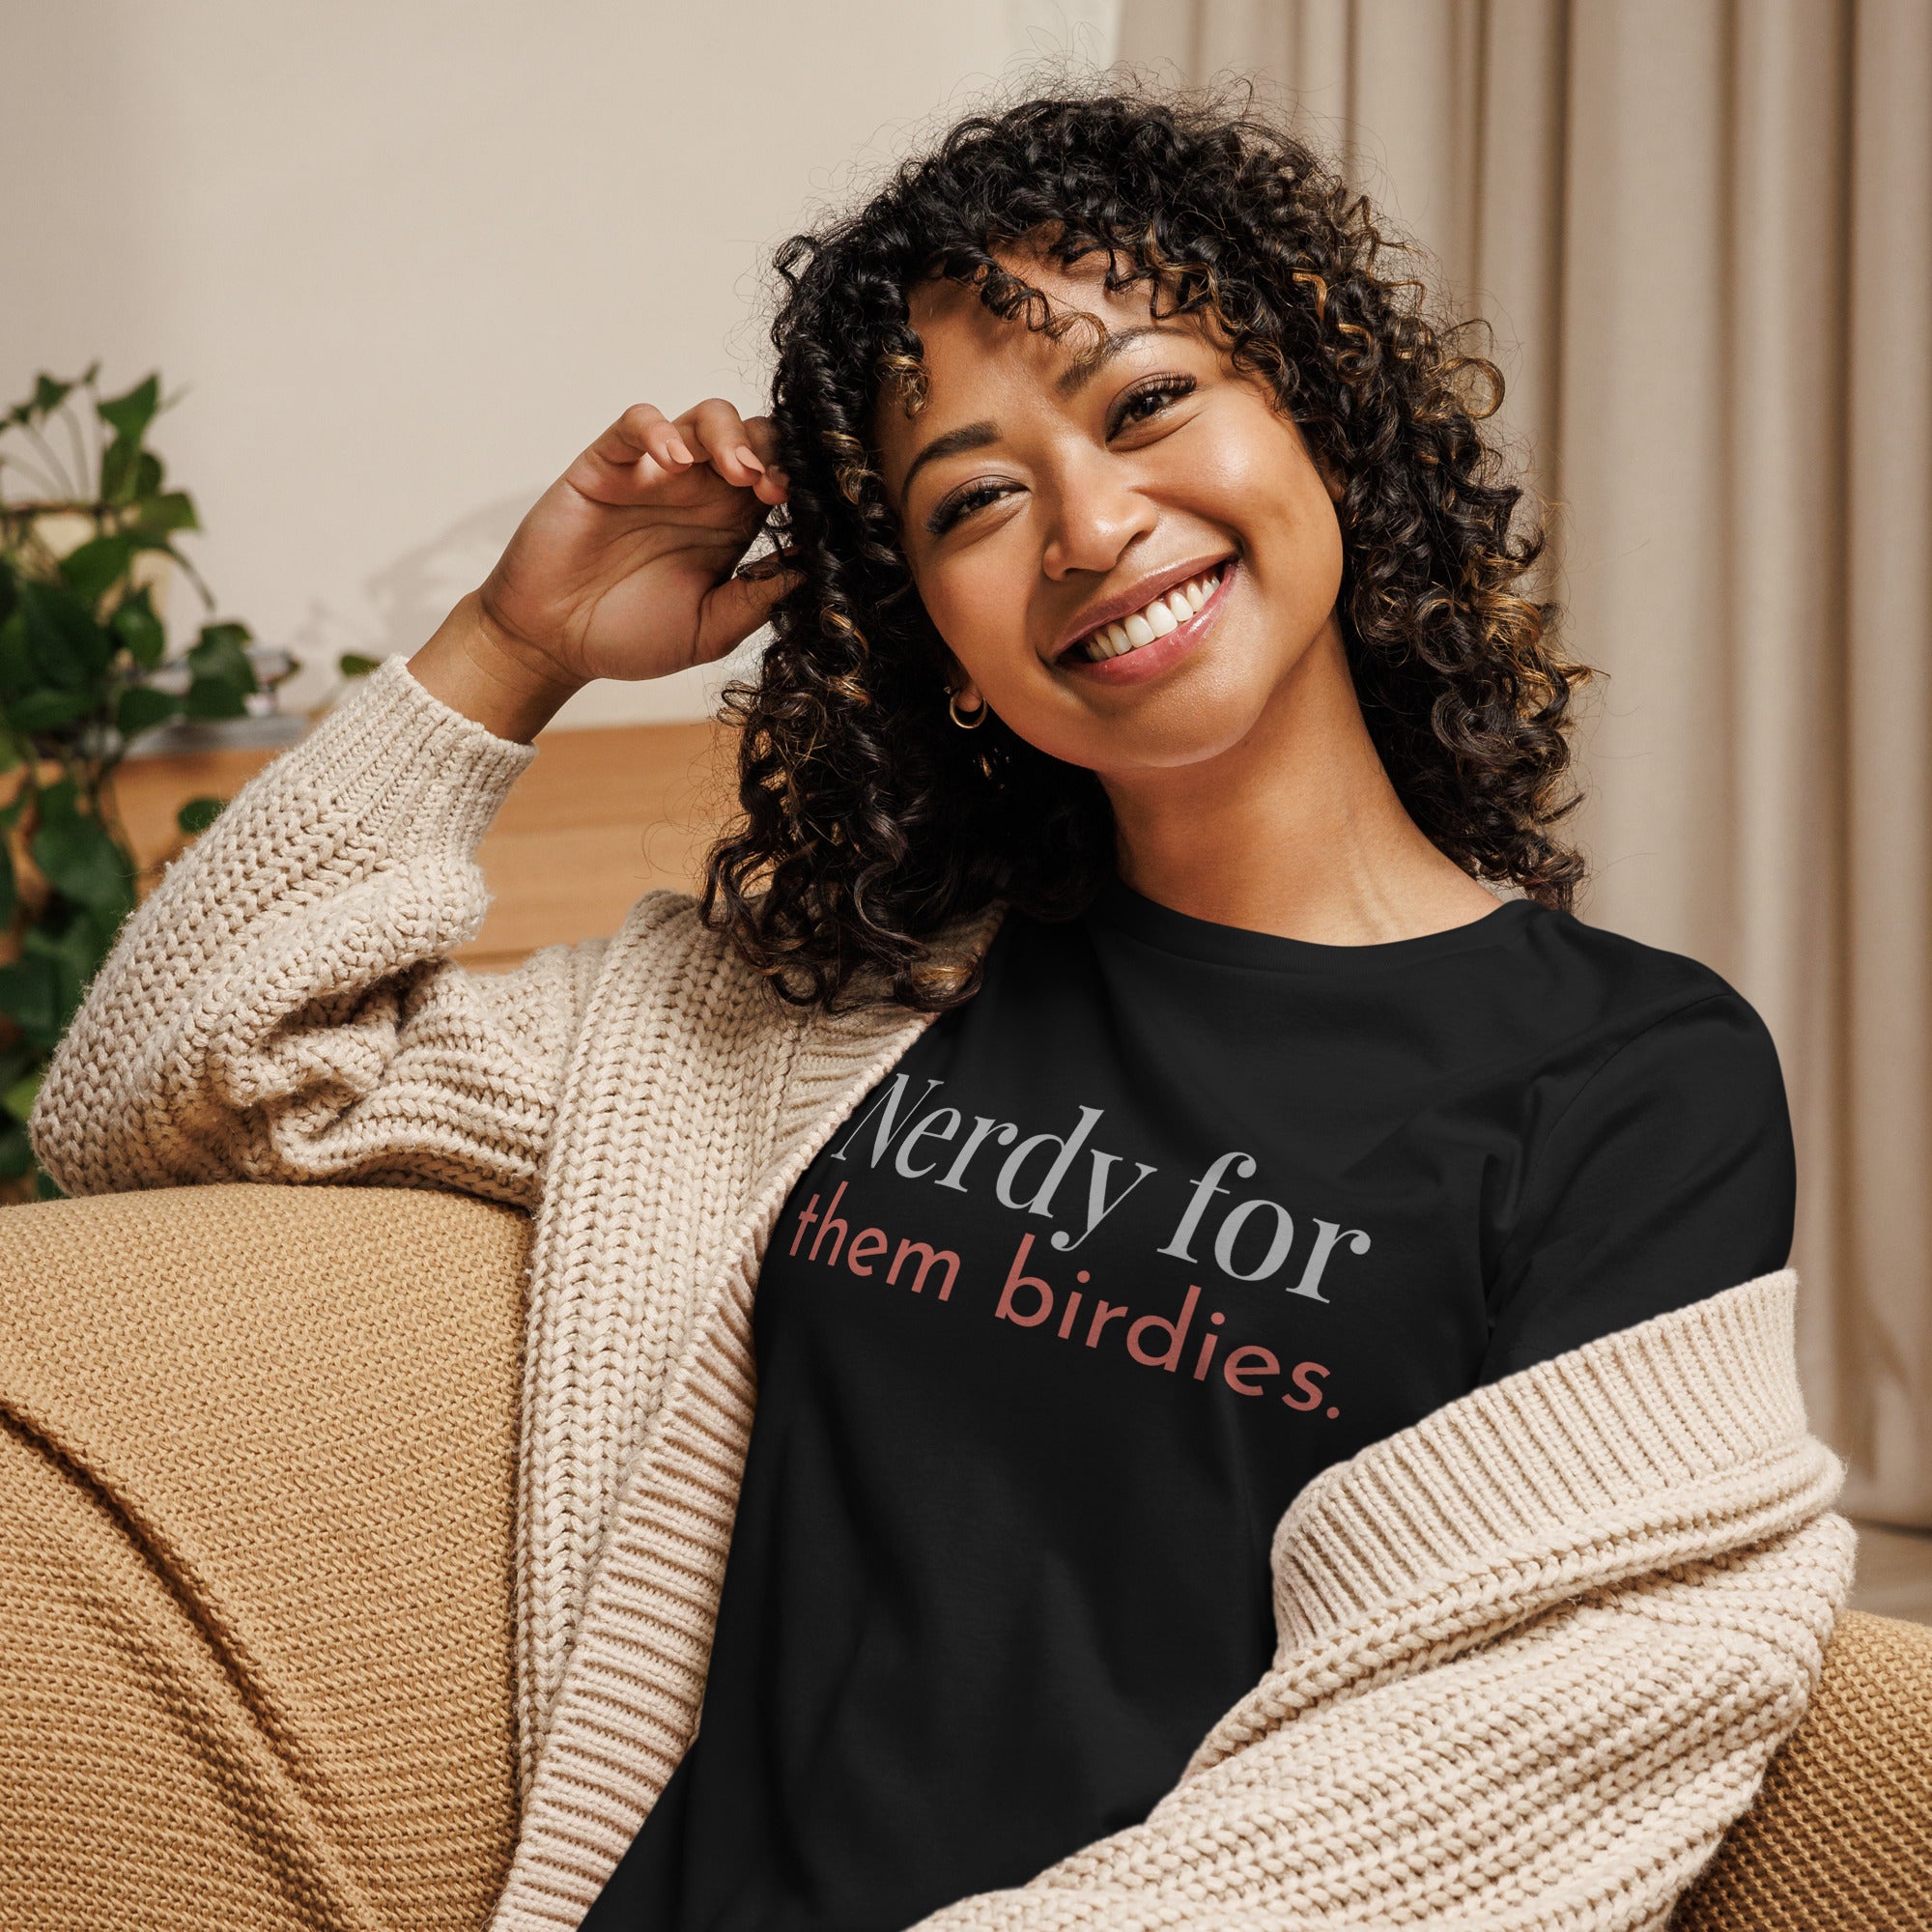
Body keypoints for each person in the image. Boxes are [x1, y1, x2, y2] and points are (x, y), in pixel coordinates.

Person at [32, 88, 1849, 1932]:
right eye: (975, 496)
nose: (1086, 523)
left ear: (1320, 418)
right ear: (937, 637)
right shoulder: (812, 1015)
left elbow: (1506, 1752)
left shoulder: (1630, 1078)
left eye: (1147, 403)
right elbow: (174, 1091)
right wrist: (510, 649)